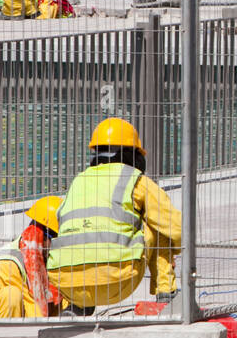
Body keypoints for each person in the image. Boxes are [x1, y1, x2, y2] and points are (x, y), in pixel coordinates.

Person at [45, 118, 182, 308]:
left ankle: (77, 308)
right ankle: (167, 293)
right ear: (133, 154)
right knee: (159, 225)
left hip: (67, 284)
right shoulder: (135, 180)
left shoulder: (78, 181)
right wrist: (175, 250)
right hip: (118, 279)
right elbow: (176, 228)